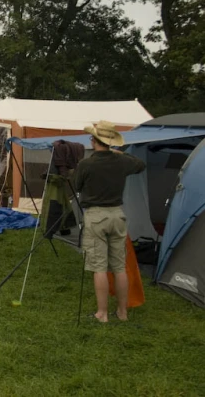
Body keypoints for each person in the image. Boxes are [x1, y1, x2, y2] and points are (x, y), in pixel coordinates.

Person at [73, 121, 146, 323]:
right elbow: (140, 165)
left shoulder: (86, 164)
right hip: (117, 215)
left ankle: (102, 313)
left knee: (99, 267)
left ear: (94, 141)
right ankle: (122, 312)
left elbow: (77, 185)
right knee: (119, 266)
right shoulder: (121, 161)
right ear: (111, 142)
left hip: (96, 216)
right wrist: (120, 154)